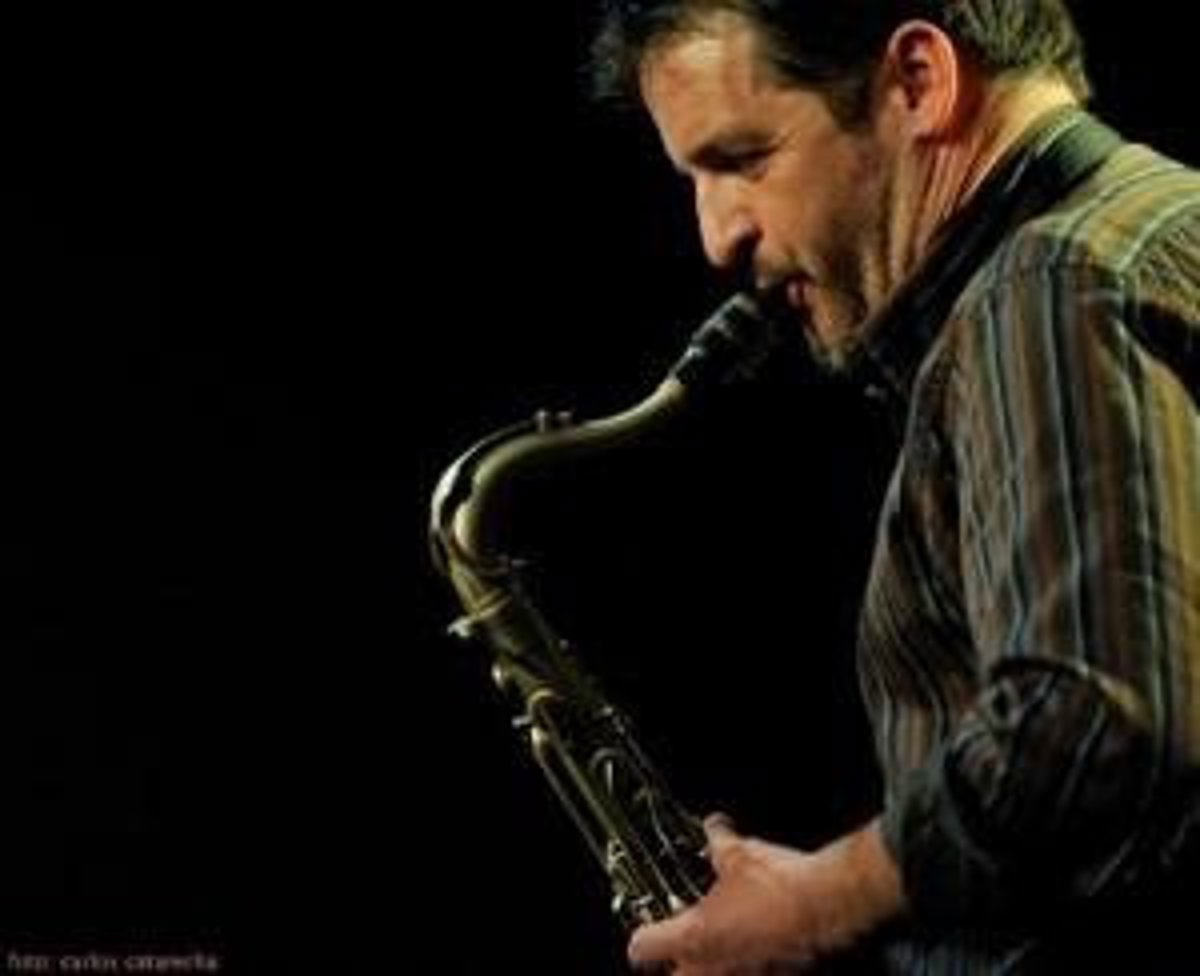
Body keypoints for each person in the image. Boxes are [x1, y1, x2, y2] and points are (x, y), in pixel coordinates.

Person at [589, 1, 1200, 971]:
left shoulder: (1047, 287)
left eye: (742, 159)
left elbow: (1095, 726)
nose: (717, 237)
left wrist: (815, 906)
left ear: (919, 80)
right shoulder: (1158, 223)